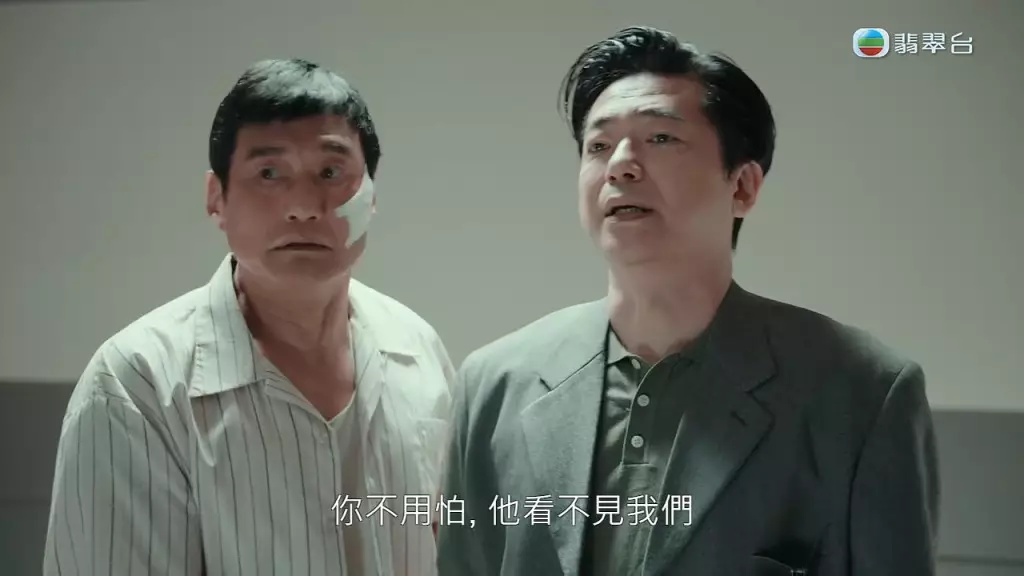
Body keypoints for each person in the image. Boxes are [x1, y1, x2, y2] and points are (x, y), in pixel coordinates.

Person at [436, 26, 939, 576]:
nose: (620, 164)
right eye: (599, 145)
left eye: (660, 138)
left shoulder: (861, 393)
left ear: (742, 187)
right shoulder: (494, 384)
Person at [43, 59, 454, 576]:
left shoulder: (417, 349)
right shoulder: (137, 383)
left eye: (331, 172)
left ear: (371, 195)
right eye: (269, 173)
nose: (304, 206)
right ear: (217, 198)